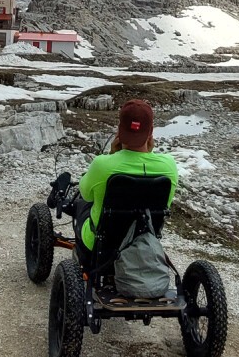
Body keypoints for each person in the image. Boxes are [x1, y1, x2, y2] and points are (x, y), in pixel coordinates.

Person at [72, 99, 178, 270]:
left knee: (82, 204)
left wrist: (112, 154)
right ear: (150, 132)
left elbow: (85, 194)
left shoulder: (102, 164)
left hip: (100, 248)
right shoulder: (169, 166)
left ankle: (80, 256)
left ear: (119, 131)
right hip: (143, 245)